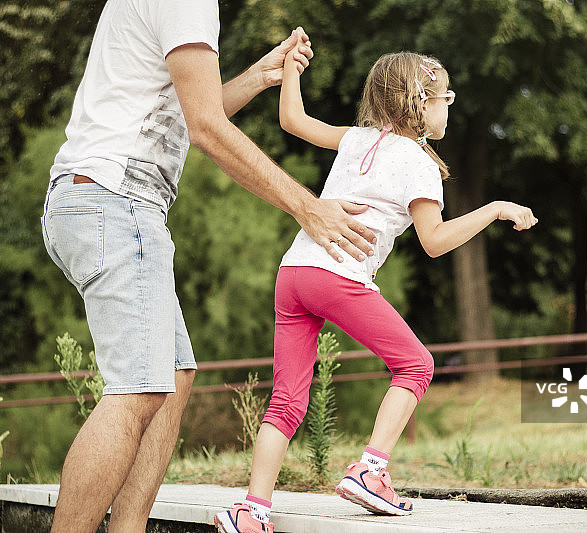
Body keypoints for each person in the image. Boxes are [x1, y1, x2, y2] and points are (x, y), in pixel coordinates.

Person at [40, 1, 377, 531]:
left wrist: (259, 77)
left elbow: (187, 110)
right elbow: (206, 130)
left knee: (172, 378)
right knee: (138, 387)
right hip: (115, 198)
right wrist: (308, 207)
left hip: (103, 199)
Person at [213, 46, 538, 533]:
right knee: (417, 364)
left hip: (294, 272)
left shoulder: (358, 139)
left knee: (286, 400)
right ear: (420, 103)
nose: (450, 104)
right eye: (445, 96)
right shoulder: (419, 165)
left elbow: (293, 120)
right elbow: (434, 241)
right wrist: (494, 209)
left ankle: (253, 511)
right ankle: (371, 468)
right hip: (337, 277)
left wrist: (291, 73)